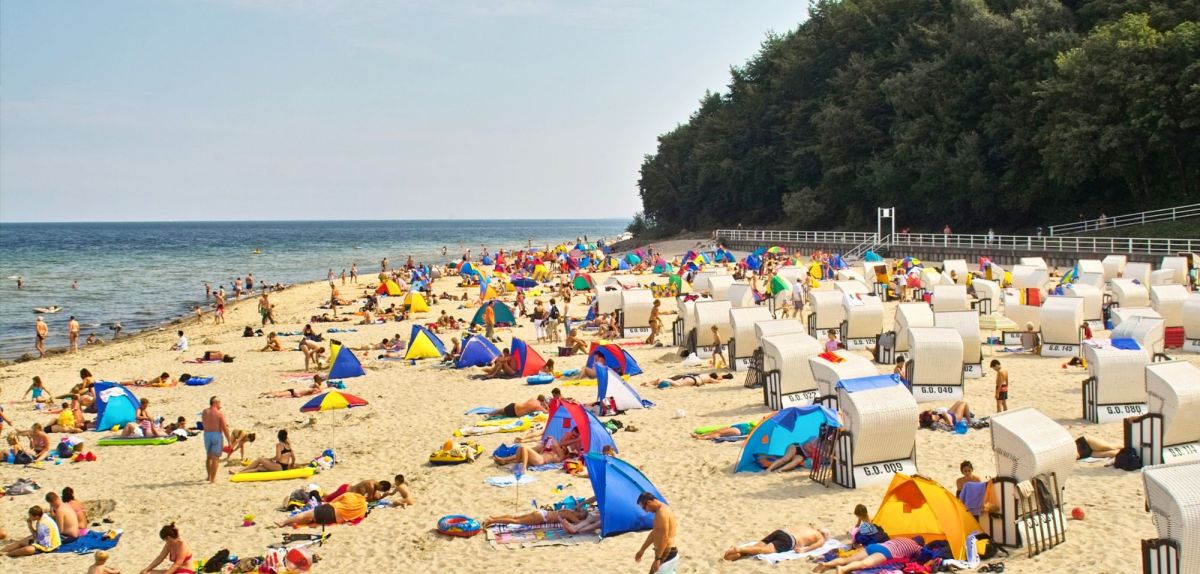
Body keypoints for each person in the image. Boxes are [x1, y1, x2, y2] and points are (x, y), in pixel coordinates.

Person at [813, 535, 925, 573]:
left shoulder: (901, 538)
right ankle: (843, 569)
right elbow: (922, 556)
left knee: (847, 559)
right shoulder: (917, 546)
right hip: (886, 552)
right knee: (863, 564)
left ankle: (826, 565)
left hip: (876, 546)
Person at [723, 525, 828, 560]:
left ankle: (739, 554)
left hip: (781, 532)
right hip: (789, 540)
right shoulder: (820, 537)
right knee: (764, 550)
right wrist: (804, 549)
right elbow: (817, 545)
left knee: (756, 547)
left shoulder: (808, 527)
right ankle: (739, 549)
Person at [635, 493, 678, 574]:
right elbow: (655, 532)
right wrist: (642, 550)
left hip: (667, 553)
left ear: (649, 502)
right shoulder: (659, 511)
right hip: (666, 552)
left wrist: (658, 558)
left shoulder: (662, 513)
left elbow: (664, 537)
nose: (646, 511)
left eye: (644, 508)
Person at [202, 396, 231, 484]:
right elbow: (224, 428)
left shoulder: (204, 412)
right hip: (216, 434)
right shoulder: (219, 413)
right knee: (215, 458)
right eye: (219, 403)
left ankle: (209, 476)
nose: (220, 405)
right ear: (215, 403)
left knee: (208, 457)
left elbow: (204, 423)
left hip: (207, 434)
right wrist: (229, 441)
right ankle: (212, 480)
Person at [481, 507, 587, 528]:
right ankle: (491, 521)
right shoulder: (571, 515)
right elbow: (578, 523)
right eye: (581, 515)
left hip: (542, 512)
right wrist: (587, 519)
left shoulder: (568, 510)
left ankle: (494, 517)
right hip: (541, 517)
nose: (579, 517)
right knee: (515, 521)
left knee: (515, 517)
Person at [259, 374, 325, 398]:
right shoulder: (316, 385)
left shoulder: (312, 385)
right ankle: (270, 395)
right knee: (279, 395)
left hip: (295, 391)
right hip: (296, 392)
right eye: (321, 380)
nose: (322, 382)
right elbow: (320, 391)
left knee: (280, 392)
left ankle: (267, 393)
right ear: (318, 380)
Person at [646, 372, 734, 389]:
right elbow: (717, 381)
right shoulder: (710, 379)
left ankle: (650, 383)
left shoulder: (705, 375)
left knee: (675, 382)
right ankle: (662, 379)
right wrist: (720, 381)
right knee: (677, 385)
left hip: (690, 377)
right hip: (693, 380)